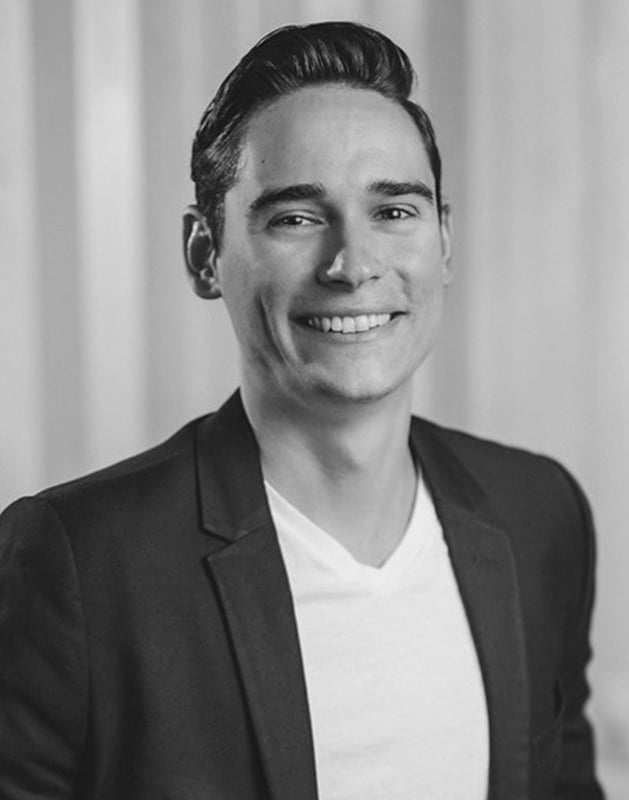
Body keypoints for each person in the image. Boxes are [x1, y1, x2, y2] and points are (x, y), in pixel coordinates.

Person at [0, 20, 604, 800]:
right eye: (295, 218)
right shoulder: (78, 562)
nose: (352, 265)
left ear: (444, 241)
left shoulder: (538, 513)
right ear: (204, 255)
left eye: (394, 211)